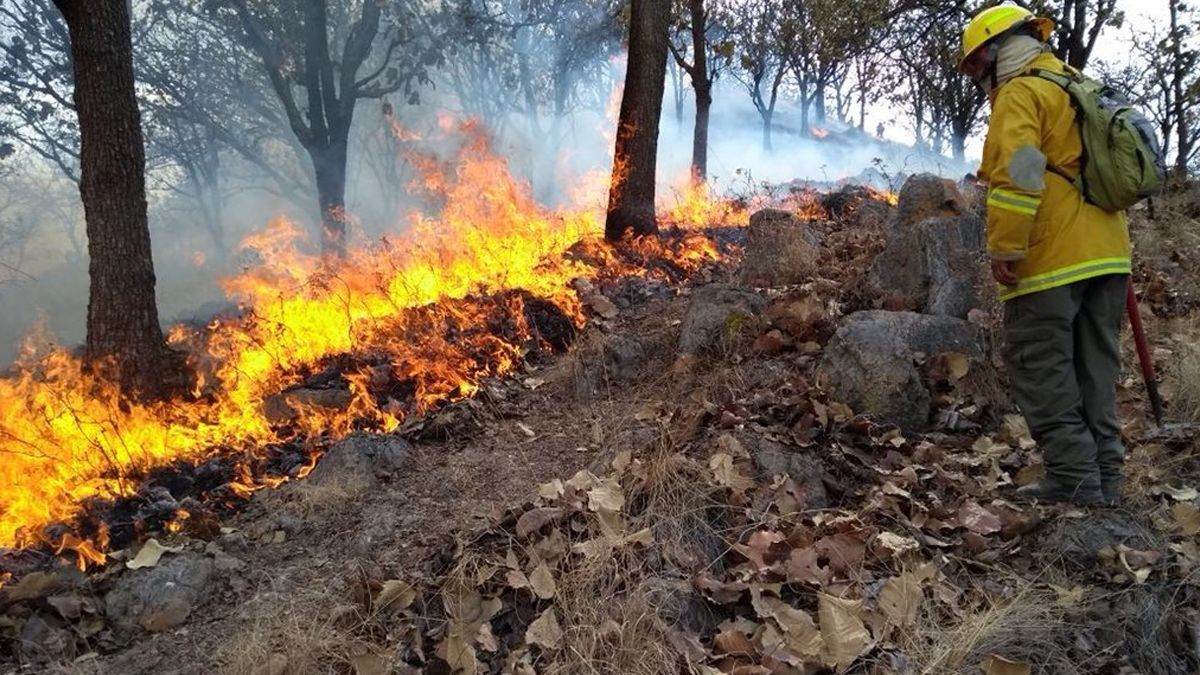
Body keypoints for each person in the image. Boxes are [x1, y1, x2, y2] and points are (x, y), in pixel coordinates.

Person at [958, 5, 1132, 506]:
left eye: (974, 64)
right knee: (1094, 366)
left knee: (1040, 364)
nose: (974, 76)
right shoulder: (1077, 85)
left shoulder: (1020, 92)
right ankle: (1107, 478)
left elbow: (1019, 175)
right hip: (1109, 253)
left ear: (995, 50)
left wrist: (1005, 247)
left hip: (1053, 257)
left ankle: (1075, 478)